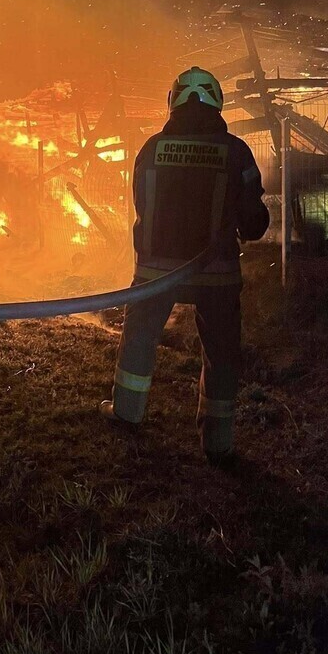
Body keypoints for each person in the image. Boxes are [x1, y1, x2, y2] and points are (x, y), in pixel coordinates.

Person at [100, 66, 269, 464]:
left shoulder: (151, 149)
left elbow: (141, 204)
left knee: (140, 337)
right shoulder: (236, 151)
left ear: (173, 100)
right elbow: (254, 221)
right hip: (217, 274)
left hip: (155, 273)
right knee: (222, 351)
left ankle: (126, 413)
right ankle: (218, 440)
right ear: (217, 100)